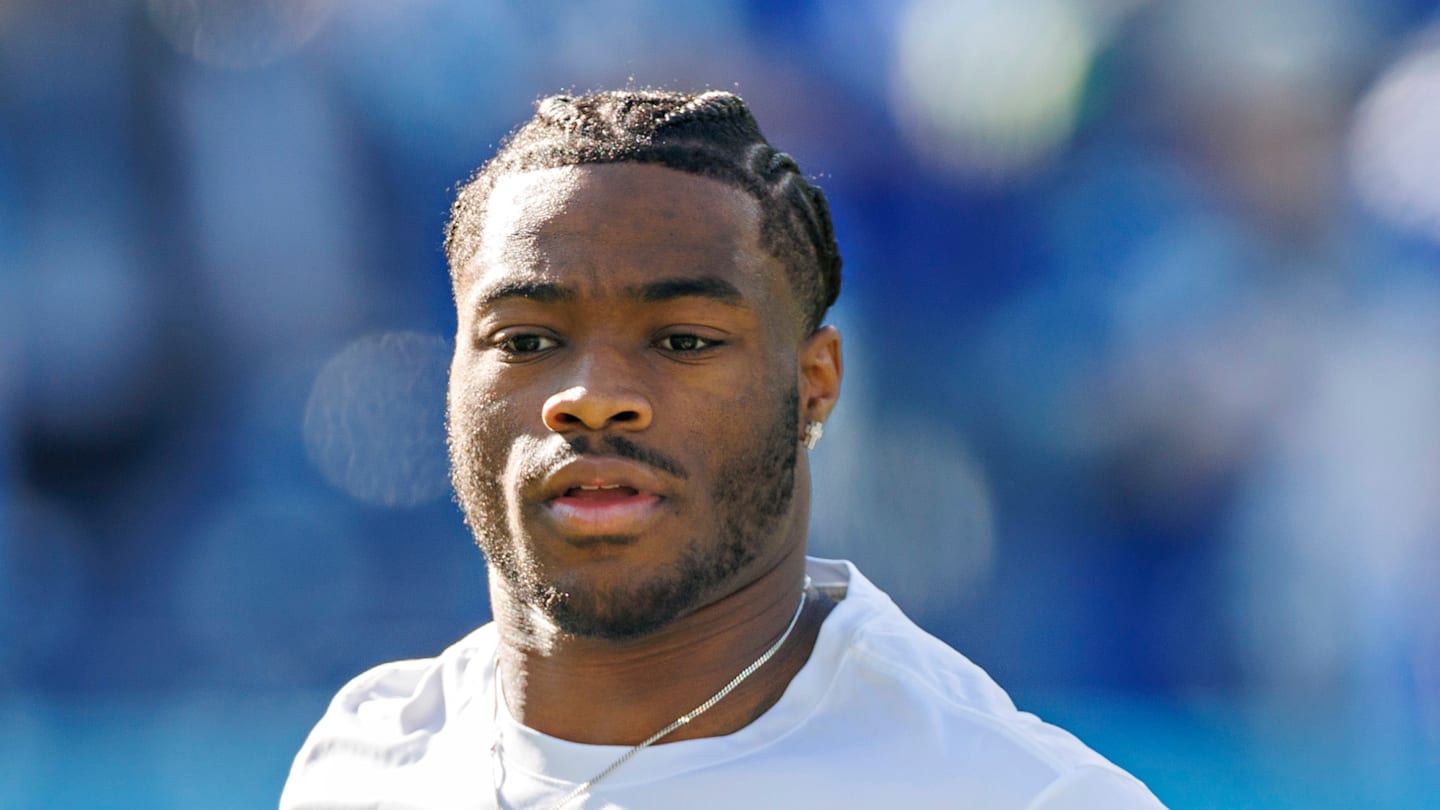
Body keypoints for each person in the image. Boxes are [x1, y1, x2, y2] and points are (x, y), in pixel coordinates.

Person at [280, 89, 1166, 810]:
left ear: (814, 384)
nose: (592, 397)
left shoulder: (1015, 796)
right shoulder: (364, 762)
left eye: (684, 341)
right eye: (525, 340)